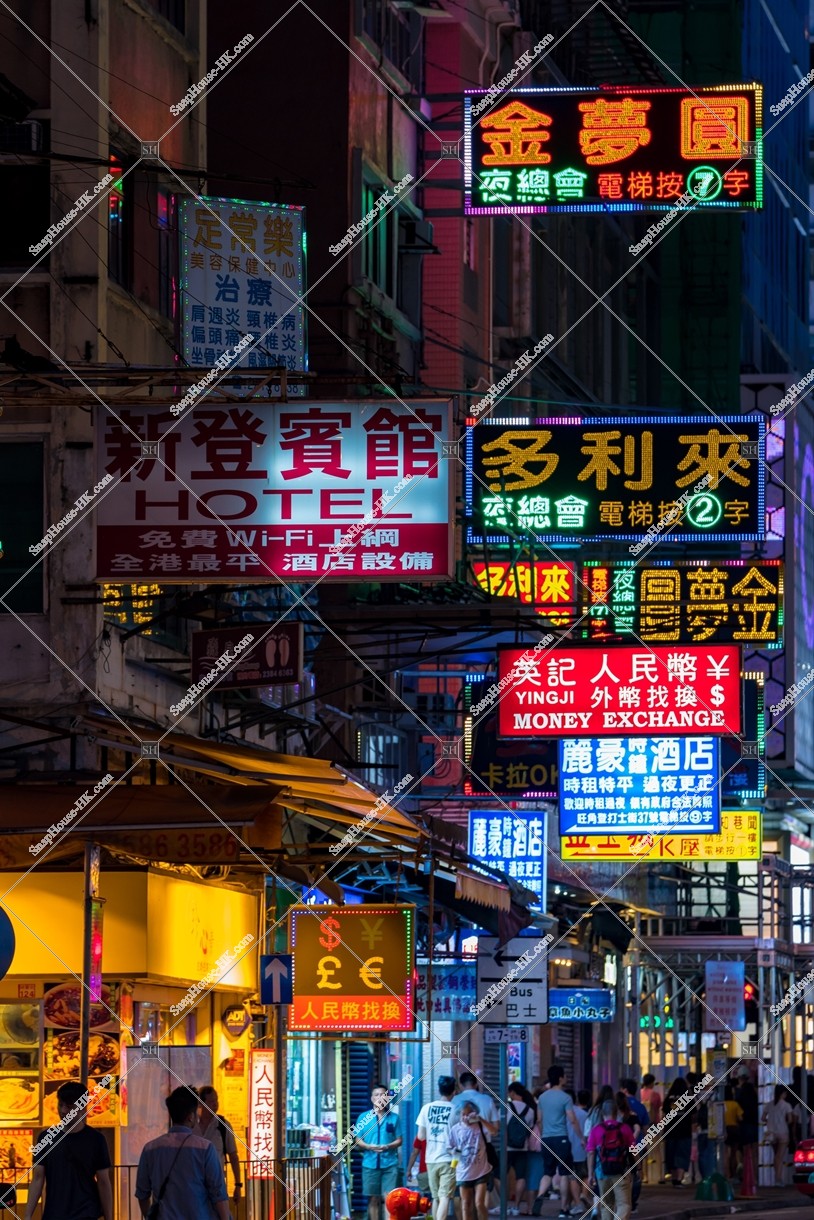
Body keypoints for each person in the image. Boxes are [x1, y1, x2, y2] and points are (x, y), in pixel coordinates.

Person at [135, 1085, 230, 1219]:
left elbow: (142, 1194)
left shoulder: (150, 1149)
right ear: (191, 1117)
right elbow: (218, 1194)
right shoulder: (206, 1148)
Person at [26, 1079, 113, 1220]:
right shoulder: (45, 1137)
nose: (63, 1111)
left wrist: (109, 1217)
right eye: (60, 1104)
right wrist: (28, 1215)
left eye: (69, 1106)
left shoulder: (96, 1139)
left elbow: (103, 1181)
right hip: (54, 1213)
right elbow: (37, 1178)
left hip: (87, 1213)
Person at [533, 1066, 583, 1220]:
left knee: (547, 1172)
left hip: (546, 1139)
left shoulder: (542, 1098)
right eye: (565, 1075)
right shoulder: (565, 1097)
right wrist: (581, 1137)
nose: (566, 1078)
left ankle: (540, 1195)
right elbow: (572, 1119)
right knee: (564, 1173)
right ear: (560, 1078)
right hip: (561, 1138)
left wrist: (543, 1135)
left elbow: (539, 1120)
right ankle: (563, 1209)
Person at [355, 1083, 403, 1220]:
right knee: (373, 1198)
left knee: (390, 1198)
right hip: (370, 1164)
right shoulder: (364, 1118)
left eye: (383, 1095)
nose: (379, 1097)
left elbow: (399, 1140)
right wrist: (368, 1146)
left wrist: (387, 1146)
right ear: (372, 1098)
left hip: (390, 1164)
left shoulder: (394, 1118)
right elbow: (358, 1139)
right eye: (376, 1095)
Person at [448, 1100, 498, 1220]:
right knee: (466, 1205)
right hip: (463, 1172)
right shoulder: (455, 1129)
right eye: (462, 1114)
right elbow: (450, 1147)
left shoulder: (480, 1126)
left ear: (474, 1113)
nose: (465, 1117)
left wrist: (481, 1119)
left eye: (468, 1113)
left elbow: (494, 1131)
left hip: (481, 1171)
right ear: (459, 1115)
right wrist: (455, 1153)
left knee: (479, 1204)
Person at [415, 1076, 456, 1220]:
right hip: (448, 1159)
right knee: (445, 1196)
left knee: (436, 1197)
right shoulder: (456, 1110)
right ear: (454, 1092)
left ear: (439, 1090)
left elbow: (420, 1136)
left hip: (430, 1159)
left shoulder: (426, 1108)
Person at [586, 1099, 634, 1220]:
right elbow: (634, 1150)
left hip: (602, 1172)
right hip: (621, 1172)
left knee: (606, 1205)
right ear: (616, 1112)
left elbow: (591, 1153)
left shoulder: (596, 1130)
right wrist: (638, 1167)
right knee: (624, 1204)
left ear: (602, 1113)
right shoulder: (625, 1128)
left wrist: (591, 1174)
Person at [197, 1085, 242, 1207]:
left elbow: (233, 1156)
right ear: (201, 1103)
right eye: (211, 1101)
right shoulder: (192, 1126)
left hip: (217, 1185)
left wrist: (238, 1185)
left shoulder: (223, 1125)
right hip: (195, 1185)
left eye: (216, 1100)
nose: (215, 1104)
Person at [506, 1083, 537, 1215]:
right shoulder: (530, 1110)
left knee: (499, 1175)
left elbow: (502, 1127)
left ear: (512, 1092)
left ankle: (501, 1204)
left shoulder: (506, 1107)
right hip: (522, 1148)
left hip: (507, 1148)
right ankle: (516, 1206)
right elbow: (529, 1129)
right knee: (521, 1177)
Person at [619, 1081, 647, 1214]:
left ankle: (623, 1201)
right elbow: (645, 1126)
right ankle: (633, 1203)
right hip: (637, 1144)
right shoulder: (641, 1107)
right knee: (635, 1173)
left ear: (624, 1090)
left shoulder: (618, 1105)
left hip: (621, 1146)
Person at [663, 1077, 692, 1187]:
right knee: (682, 1154)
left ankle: (674, 1178)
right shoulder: (688, 1097)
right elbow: (693, 1112)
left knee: (671, 1154)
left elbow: (665, 1112)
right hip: (684, 1130)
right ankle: (679, 1179)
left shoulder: (669, 1097)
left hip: (671, 1130)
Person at [763, 1083, 793, 1187]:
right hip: (783, 1132)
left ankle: (777, 1178)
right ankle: (778, 1179)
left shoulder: (769, 1104)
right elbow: (790, 1120)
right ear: (783, 1093)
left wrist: (769, 1121)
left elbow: (763, 1118)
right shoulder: (786, 1105)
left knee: (776, 1156)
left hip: (771, 1133)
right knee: (779, 1157)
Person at [735, 1071, 759, 1189]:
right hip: (754, 1126)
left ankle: (746, 1176)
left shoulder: (740, 1100)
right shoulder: (755, 1101)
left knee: (745, 1152)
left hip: (744, 1126)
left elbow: (739, 1116)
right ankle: (755, 1177)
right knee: (754, 1153)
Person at [570, 1090, 591, 1211]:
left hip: (571, 1148)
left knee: (573, 1177)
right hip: (585, 1149)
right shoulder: (588, 1114)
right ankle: (584, 1194)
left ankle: (577, 1203)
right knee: (587, 1174)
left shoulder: (571, 1113)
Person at [724, 1084, 743, 1179]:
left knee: (725, 1153)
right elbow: (740, 1117)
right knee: (734, 1153)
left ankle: (727, 1174)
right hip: (734, 1129)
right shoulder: (735, 1104)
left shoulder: (721, 1103)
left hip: (724, 1129)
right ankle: (734, 1173)